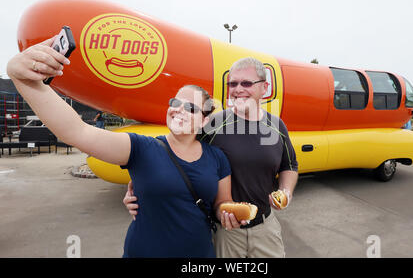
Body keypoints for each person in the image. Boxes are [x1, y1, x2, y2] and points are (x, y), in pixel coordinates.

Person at [6, 36, 246, 258]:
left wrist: (227, 215)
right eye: (176, 102)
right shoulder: (141, 148)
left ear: (204, 120)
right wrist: (25, 80)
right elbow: (77, 132)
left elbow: (219, 205)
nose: (179, 110)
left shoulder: (217, 158)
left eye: (191, 108)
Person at [124, 57, 299, 258]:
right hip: (225, 232)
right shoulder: (212, 124)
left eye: (247, 83)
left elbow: (290, 165)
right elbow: (172, 151)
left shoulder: (277, 126)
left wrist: (286, 191)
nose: (238, 89)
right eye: (232, 83)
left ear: (264, 87)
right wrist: (140, 187)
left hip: (266, 227)